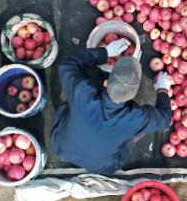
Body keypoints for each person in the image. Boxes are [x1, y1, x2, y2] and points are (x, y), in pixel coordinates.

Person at [51, 38, 173, 174]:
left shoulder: (83, 93)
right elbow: (165, 119)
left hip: (60, 146)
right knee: (133, 135)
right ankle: (131, 139)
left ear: (105, 83)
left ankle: (68, 97)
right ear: (133, 96)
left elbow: (67, 65)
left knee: (71, 94)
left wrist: (105, 52)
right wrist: (162, 89)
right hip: (97, 166)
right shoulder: (136, 118)